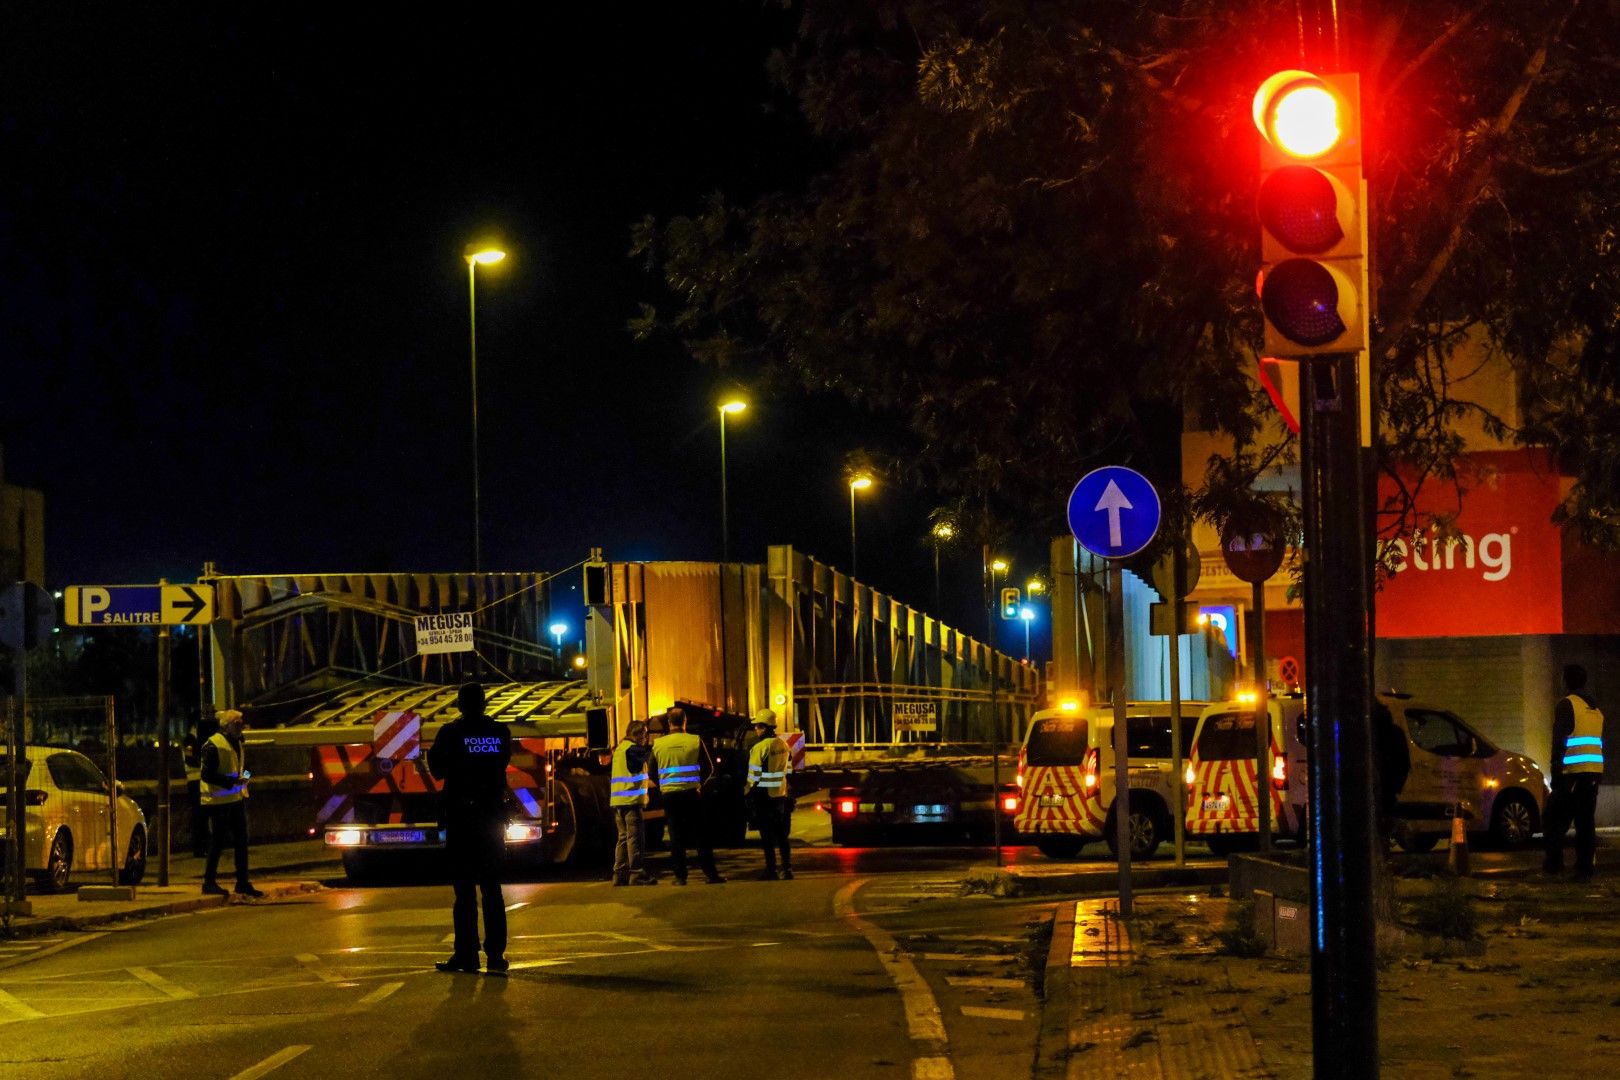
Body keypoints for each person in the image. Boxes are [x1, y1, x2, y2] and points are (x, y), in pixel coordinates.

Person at [427, 681, 513, 974]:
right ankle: (496, 957)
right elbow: (501, 764)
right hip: (491, 819)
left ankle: (467, 955)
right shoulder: (500, 733)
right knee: (492, 890)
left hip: (462, 820)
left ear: (460, 705)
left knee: (464, 892)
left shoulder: (451, 733)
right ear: (485, 703)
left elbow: (437, 770)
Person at [649, 707, 725, 885]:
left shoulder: (658, 744)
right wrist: (698, 785)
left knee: (676, 836)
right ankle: (711, 874)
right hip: (691, 794)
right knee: (701, 835)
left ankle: (680, 877)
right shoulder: (694, 740)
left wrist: (664, 786)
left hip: (670, 796)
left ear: (669, 723)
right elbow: (709, 767)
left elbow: (651, 771)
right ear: (685, 721)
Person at [1544, 664, 1605, 881]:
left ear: (1566, 681)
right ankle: (1585, 869)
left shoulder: (1566, 704)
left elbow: (1559, 740)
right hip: (1593, 774)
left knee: (1553, 819)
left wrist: (1555, 772)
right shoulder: (1595, 709)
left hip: (1572, 774)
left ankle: (1554, 867)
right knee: (1585, 822)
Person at [200, 710, 262, 897]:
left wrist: (246, 778)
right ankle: (209, 882)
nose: (241, 726)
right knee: (217, 842)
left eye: (241, 723)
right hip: (218, 800)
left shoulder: (238, 743)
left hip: (236, 798)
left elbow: (246, 767)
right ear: (226, 726)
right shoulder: (213, 744)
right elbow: (206, 774)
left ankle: (242, 882)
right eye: (237, 723)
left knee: (241, 842)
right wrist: (231, 782)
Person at [744, 708, 794, 880]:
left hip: (763, 796)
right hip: (780, 794)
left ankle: (770, 870)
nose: (755, 730)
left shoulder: (759, 748)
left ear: (764, 727)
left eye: (757, 727)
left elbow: (753, 774)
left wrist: (747, 792)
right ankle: (787, 869)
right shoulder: (784, 745)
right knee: (781, 835)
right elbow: (788, 770)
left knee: (766, 835)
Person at [610, 720, 657, 886]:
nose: (646, 738)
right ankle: (636, 873)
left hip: (618, 802)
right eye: (644, 734)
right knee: (634, 838)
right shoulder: (633, 749)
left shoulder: (620, 749)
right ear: (637, 734)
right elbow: (651, 761)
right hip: (631, 802)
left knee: (622, 838)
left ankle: (619, 874)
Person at [183, 730, 209, 857]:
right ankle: (199, 847)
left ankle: (202, 846)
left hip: (199, 782)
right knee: (199, 816)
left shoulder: (196, 739)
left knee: (201, 815)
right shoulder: (190, 739)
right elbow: (189, 759)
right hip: (195, 782)